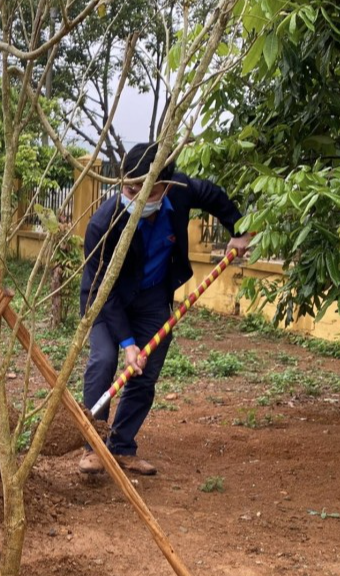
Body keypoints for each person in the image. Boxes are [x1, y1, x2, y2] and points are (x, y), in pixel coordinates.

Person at [78, 142, 250, 476]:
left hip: (153, 298)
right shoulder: (103, 224)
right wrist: (127, 344)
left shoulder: (181, 192)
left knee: (145, 374)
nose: (133, 196)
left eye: (142, 190)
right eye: (128, 188)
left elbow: (214, 196)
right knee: (103, 361)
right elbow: (103, 289)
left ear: (165, 187)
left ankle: (122, 447)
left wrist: (241, 231)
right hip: (106, 300)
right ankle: (93, 448)